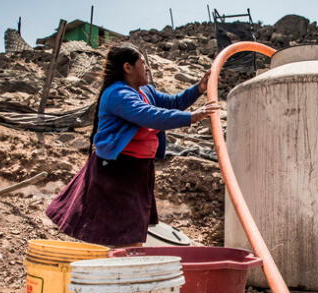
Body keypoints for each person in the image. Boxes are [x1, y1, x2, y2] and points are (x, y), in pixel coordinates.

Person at [45, 44, 220, 247]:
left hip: (138, 168)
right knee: (119, 230)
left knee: (130, 228)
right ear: (127, 67)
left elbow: (173, 103)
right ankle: (116, 268)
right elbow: (149, 115)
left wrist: (199, 88)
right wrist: (192, 117)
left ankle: (122, 265)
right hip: (117, 170)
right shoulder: (117, 94)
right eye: (142, 63)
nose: (146, 67)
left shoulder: (145, 91)